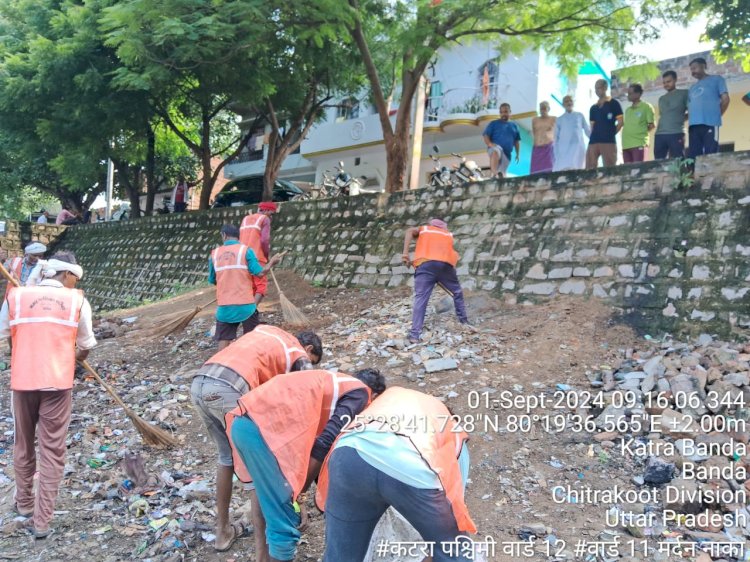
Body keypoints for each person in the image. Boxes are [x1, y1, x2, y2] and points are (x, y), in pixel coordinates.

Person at [226, 368, 386, 562]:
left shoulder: (331, 383)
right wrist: (297, 495)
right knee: (284, 521)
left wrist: (299, 496)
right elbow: (324, 443)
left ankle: (263, 558)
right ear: (375, 396)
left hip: (243, 425)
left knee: (267, 496)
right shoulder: (361, 393)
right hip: (262, 435)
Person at [191, 327, 323, 552]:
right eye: (312, 360)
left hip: (200, 383)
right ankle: (263, 553)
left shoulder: (267, 334)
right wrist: (298, 501)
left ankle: (222, 532)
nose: (309, 363)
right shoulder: (297, 354)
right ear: (308, 349)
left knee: (227, 458)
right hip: (230, 389)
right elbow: (299, 423)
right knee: (257, 470)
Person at [317, 387, 475, 562]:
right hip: (408, 465)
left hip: (348, 455)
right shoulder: (454, 432)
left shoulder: (391, 398)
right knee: (454, 550)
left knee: (341, 556)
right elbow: (453, 509)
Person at [0, 252, 96, 538]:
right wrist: (77, 356)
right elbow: (87, 343)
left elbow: (5, 333)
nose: (75, 283)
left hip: (23, 380)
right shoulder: (77, 300)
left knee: (23, 445)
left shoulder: (16, 297)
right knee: (52, 452)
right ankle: (42, 522)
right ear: (67, 275)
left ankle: (25, 504)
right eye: (75, 279)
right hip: (57, 382)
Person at [209, 224, 282, 351]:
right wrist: (272, 262)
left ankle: (220, 365)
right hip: (246, 306)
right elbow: (260, 273)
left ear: (224, 235)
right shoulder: (246, 251)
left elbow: (212, 280)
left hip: (224, 307)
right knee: (252, 340)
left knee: (223, 340)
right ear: (238, 237)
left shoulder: (214, 255)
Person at [402, 219, 471, 343]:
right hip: (445, 267)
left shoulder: (425, 229)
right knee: (457, 292)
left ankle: (414, 335)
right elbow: (452, 258)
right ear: (444, 227)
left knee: (421, 298)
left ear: (431, 224)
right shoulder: (448, 235)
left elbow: (409, 231)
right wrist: (443, 275)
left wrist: (405, 255)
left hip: (425, 265)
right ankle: (464, 322)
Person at [687, 57, 730, 158]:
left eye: (695, 68)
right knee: (694, 156)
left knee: (711, 154)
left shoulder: (717, 79)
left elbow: (726, 99)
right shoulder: (692, 88)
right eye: (691, 69)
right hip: (693, 126)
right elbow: (690, 108)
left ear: (704, 66)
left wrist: (717, 116)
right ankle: (696, 174)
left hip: (710, 123)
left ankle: (710, 174)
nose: (693, 71)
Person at [239, 202, 277, 306]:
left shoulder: (245, 219)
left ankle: (249, 314)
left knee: (250, 286)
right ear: (267, 210)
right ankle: (251, 313)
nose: (271, 216)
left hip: (242, 257)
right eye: (272, 213)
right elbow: (264, 240)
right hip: (257, 256)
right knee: (261, 286)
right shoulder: (265, 219)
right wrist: (266, 255)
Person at [586, 79, 623, 169]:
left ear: (605, 88)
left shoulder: (614, 103)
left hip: (608, 141)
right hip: (593, 141)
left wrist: (610, 133)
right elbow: (592, 127)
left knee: (609, 168)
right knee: (589, 168)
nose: (597, 91)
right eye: (595, 89)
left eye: (599, 88)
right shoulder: (593, 108)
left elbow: (621, 122)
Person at [654, 70, 689, 160]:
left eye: (668, 81)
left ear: (675, 80)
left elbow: (691, 111)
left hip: (676, 132)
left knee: (679, 160)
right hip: (659, 134)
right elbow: (663, 115)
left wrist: (681, 118)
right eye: (664, 82)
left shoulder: (684, 93)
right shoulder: (661, 99)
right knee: (658, 163)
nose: (666, 84)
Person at [482, 102, 520, 178]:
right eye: (501, 112)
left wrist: (517, 154)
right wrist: (490, 144)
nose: (503, 114)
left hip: (507, 154)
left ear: (510, 112)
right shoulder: (494, 123)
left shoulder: (514, 126)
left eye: (505, 112)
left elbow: (517, 141)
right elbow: (486, 135)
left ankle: (497, 177)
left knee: (502, 175)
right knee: (496, 151)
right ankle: (494, 173)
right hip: (496, 148)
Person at [553, 95, 590, 171]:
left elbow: (587, 130)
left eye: (570, 101)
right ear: (563, 104)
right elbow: (555, 137)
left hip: (577, 147)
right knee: (563, 169)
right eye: (566, 101)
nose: (569, 103)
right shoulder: (559, 119)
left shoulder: (579, 115)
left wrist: (595, 139)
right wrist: (556, 150)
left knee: (577, 169)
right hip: (563, 149)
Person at [621, 83, 655, 163]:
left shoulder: (646, 107)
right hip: (626, 145)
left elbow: (652, 125)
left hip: (639, 143)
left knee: (638, 169)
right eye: (627, 93)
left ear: (638, 94)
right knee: (628, 171)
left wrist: (640, 133)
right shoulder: (628, 110)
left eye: (630, 93)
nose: (628, 95)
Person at [530, 101, 556, 174]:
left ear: (548, 109)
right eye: (541, 108)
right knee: (535, 173)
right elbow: (534, 132)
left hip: (548, 147)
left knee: (549, 171)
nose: (543, 110)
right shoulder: (535, 120)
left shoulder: (554, 119)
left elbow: (557, 134)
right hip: (537, 147)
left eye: (544, 108)